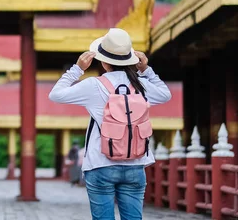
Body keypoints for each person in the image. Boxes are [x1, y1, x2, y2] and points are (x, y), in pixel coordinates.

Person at [49, 28, 171, 220]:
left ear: (104, 62)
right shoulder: (141, 85)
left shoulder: (93, 86)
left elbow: (55, 94)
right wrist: (146, 70)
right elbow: (165, 94)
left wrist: (77, 69)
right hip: (135, 163)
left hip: (101, 163)